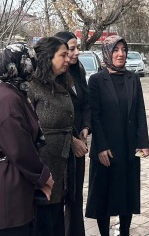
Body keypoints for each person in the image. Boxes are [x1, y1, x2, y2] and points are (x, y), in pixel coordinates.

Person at [0, 42, 54, 236]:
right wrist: (43, 176)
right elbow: (19, 148)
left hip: (12, 185)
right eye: (30, 60)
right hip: (6, 191)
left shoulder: (12, 92)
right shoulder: (8, 99)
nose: (34, 66)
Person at [85, 35, 149, 236]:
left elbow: (140, 111)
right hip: (106, 148)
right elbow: (94, 116)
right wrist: (101, 147)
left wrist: (143, 142)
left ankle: (125, 232)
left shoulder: (133, 78)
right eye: (115, 50)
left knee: (127, 193)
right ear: (107, 52)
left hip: (129, 146)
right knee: (103, 195)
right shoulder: (96, 80)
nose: (120, 54)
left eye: (123, 50)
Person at [29, 36, 74, 236]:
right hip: (42, 166)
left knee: (56, 219)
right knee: (42, 222)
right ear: (48, 58)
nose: (68, 59)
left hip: (61, 165)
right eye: (63, 55)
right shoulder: (32, 87)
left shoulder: (60, 83)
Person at [54, 31, 91, 236]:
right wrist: (72, 140)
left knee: (75, 197)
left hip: (79, 145)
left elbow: (86, 103)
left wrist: (86, 125)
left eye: (77, 48)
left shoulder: (78, 70)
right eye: (71, 49)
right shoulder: (52, 78)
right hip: (59, 147)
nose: (76, 53)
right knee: (58, 197)